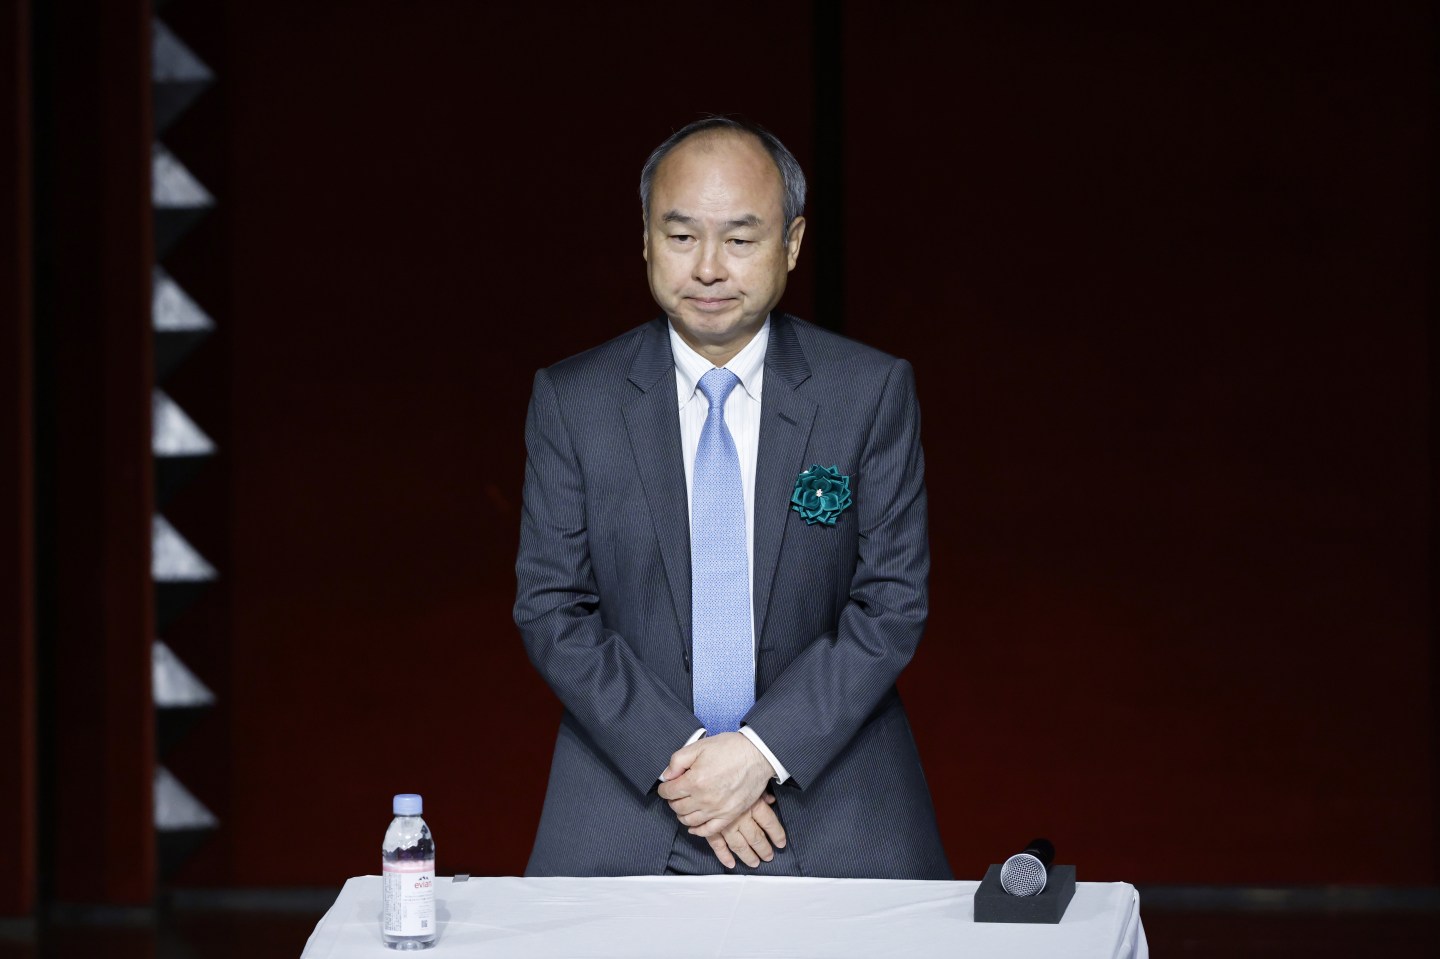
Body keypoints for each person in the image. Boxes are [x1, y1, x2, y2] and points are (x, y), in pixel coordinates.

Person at [514, 117, 950, 878]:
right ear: (645, 239)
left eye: (741, 238)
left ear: (793, 242)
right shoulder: (574, 399)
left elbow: (892, 602)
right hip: (628, 788)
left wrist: (758, 753)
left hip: (829, 786)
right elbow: (551, 608)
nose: (709, 267)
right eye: (681, 236)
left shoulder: (868, 390)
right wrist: (689, 765)